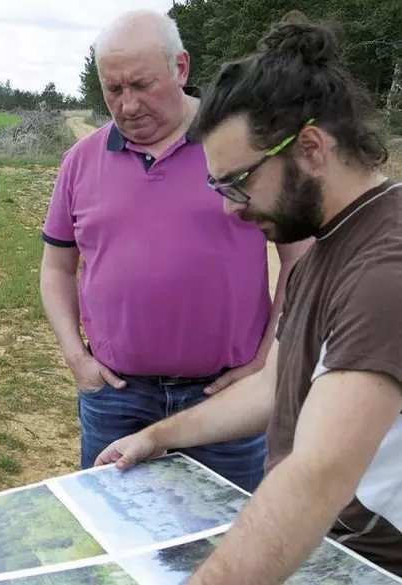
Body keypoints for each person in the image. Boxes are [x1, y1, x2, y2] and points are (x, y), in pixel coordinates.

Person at [96, 11, 402, 582]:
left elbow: (316, 473)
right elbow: (272, 387)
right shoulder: (332, 240)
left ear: (311, 147)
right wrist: (156, 437)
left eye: (239, 182)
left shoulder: (385, 268)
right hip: (328, 554)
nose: (231, 207)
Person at [39, 9, 309, 493]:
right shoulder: (80, 161)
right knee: (118, 543)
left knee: (227, 544)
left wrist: (268, 358)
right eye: (113, 89)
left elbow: (300, 260)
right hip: (116, 397)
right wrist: (76, 356)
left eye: (142, 85)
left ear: (181, 68)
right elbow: (58, 267)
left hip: (226, 398)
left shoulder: (241, 149)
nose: (128, 105)